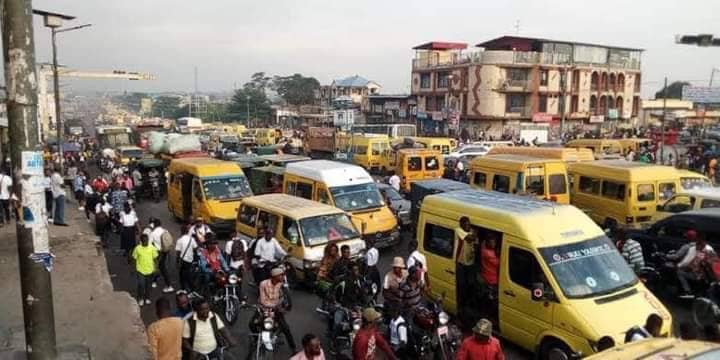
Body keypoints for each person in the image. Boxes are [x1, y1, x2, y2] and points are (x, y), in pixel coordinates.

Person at [258, 267, 297, 352]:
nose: (283, 277)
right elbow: (262, 300)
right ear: (274, 276)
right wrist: (274, 306)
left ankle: (293, 348)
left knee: (286, 328)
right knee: (252, 324)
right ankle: (256, 340)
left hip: (276, 310)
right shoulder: (263, 284)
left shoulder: (281, 285)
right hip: (264, 308)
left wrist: (283, 306)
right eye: (281, 275)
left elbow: (284, 298)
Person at [676, 231, 715, 298]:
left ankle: (687, 291)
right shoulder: (709, 248)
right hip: (708, 275)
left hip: (698, 275)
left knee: (679, 272)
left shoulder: (695, 249)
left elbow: (688, 262)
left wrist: (678, 266)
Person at [455, 217, 476, 324]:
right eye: (466, 225)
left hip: (471, 263)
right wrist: (474, 234)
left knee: (471, 285)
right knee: (461, 286)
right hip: (461, 263)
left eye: (469, 224)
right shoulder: (458, 230)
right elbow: (470, 238)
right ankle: (461, 310)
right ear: (461, 225)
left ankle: (468, 306)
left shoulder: (471, 231)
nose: (468, 226)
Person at [149, 218, 175, 293]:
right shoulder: (165, 231)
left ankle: (169, 285)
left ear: (154, 225)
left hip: (158, 252)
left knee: (160, 268)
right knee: (160, 266)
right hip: (165, 251)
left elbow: (150, 244)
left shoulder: (153, 233)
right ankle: (154, 281)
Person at [132, 234, 158, 306]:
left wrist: (156, 268)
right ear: (141, 241)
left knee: (148, 285)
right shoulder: (137, 248)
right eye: (144, 241)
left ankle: (147, 298)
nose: (146, 242)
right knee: (141, 284)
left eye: (146, 240)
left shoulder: (152, 248)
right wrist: (134, 269)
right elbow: (134, 259)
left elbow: (155, 259)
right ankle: (140, 298)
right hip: (140, 270)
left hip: (150, 270)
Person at [175, 225, 197, 291]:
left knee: (182, 275)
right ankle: (190, 288)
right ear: (187, 231)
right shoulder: (191, 239)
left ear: (181, 231)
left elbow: (178, 252)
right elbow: (195, 248)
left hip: (183, 260)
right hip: (190, 259)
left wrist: (177, 262)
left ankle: (185, 288)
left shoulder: (179, 240)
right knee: (188, 274)